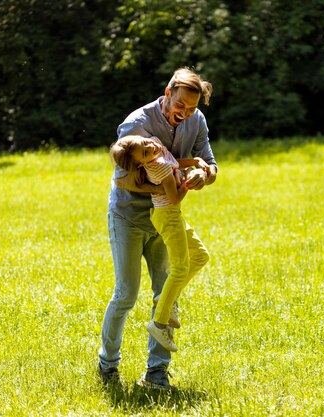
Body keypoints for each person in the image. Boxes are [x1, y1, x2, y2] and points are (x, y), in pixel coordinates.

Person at [98, 68, 218, 389]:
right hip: (129, 217)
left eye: (192, 108)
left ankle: (157, 373)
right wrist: (165, 185)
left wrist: (203, 175)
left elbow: (208, 161)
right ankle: (107, 366)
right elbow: (123, 179)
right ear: (167, 93)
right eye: (181, 104)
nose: (186, 113)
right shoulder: (136, 124)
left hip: (165, 220)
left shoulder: (196, 121)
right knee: (126, 294)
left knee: (164, 292)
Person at [109, 135, 210, 353]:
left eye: (147, 143)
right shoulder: (158, 169)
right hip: (167, 216)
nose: (151, 147)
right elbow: (174, 198)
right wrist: (187, 183)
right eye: (145, 152)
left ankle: (166, 296)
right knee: (181, 268)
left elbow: (173, 160)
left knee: (201, 256)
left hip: (173, 215)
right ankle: (159, 323)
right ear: (140, 164)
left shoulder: (155, 146)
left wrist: (194, 162)